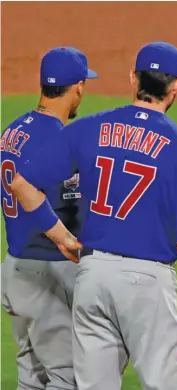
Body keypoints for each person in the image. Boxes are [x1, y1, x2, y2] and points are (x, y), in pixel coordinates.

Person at [10, 41, 177, 390]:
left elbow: (22, 185)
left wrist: (61, 237)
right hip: (147, 284)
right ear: (175, 87)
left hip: (92, 277)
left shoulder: (87, 128)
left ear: (133, 78)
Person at [1, 46, 96, 390]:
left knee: (31, 374)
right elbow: (50, 196)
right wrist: (66, 238)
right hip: (47, 269)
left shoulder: (12, 130)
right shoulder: (60, 138)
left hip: (14, 266)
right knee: (66, 377)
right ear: (78, 88)